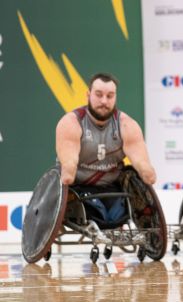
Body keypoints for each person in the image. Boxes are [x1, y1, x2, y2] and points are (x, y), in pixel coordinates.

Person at [55, 72, 156, 221]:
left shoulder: (127, 125)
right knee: (71, 180)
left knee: (116, 214)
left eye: (110, 96)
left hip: (112, 189)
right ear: (88, 95)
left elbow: (143, 164)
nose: (104, 101)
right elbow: (69, 164)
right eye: (98, 95)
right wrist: (68, 174)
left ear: (115, 97)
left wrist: (147, 172)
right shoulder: (71, 122)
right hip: (77, 188)